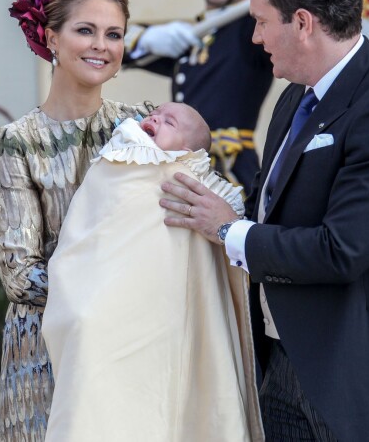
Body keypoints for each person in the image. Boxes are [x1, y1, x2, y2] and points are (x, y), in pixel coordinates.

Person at [158, 0, 369, 441]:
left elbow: (341, 250)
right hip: (282, 364)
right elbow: (274, 213)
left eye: (261, 21)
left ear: (303, 23)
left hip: (356, 378)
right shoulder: (294, 97)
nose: (256, 36)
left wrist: (226, 228)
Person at [0, 0, 150, 441]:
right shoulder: (14, 143)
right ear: (50, 37)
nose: (102, 45)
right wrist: (120, 281)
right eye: (86, 30)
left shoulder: (145, 125)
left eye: (114, 34)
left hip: (132, 339)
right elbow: (19, 275)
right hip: (48, 350)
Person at [41, 102, 264, 442]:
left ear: (189, 152)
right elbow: (89, 232)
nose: (155, 118)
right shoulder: (118, 160)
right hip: (105, 304)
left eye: (169, 121)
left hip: (161, 306)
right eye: (156, 114)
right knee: (99, 403)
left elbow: (228, 216)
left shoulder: (191, 179)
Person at [123, 0, 274, 193]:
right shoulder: (198, 33)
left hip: (228, 173)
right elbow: (112, 49)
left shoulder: (251, 29)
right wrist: (148, 38)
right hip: (181, 165)